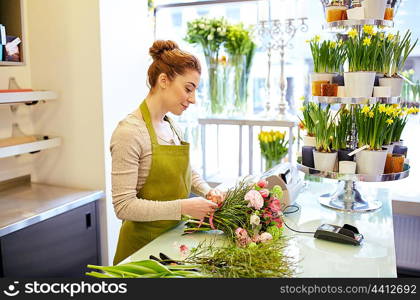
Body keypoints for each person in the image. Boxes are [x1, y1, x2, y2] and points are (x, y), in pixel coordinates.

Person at [111, 40, 224, 265]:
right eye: (188, 88)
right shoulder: (130, 133)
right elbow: (123, 206)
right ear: (163, 80)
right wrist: (184, 207)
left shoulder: (172, 126)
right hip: (141, 251)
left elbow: (186, 172)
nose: (192, 99)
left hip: (171, 241)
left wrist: (207, 191)